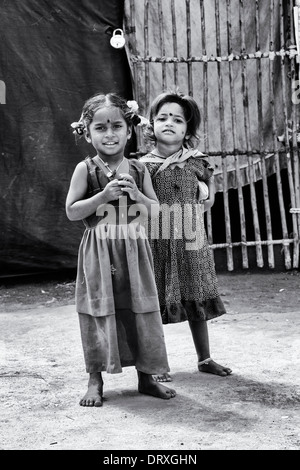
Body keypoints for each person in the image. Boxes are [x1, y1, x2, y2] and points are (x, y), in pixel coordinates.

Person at [65, 92, 176, 406]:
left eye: (116, 126)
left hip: (134, 251)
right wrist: (102, 197)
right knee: (98, 311)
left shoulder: (139, 169)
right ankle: (94, 380)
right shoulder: (85, 169)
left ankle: (147, 377)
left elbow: (156, 211)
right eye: (100, 128)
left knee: (141, 309)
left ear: (130, 130)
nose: (109, 134)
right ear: (87, 133)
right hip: (98, 253)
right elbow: (72, 211)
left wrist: (139, 196)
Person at [140, 90, 232, 382]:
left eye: (178, 120)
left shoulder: (197, 161)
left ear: (188, 128)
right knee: (154, 300)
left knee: (197, 295)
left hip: (192, 236)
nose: (170, 123)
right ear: (151, 125)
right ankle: (156, 365)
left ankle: (204, 359)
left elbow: (208, 198)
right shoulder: (143, 166)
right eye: (163, 117)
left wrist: (205, 195)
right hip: (157, 238)